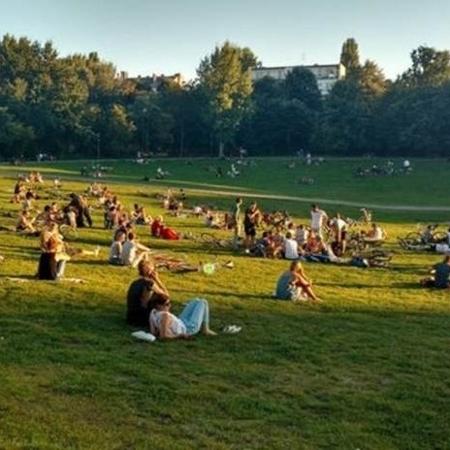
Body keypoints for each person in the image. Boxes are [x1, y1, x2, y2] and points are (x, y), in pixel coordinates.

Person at [126, 260, 169, 327]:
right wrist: (157, 279)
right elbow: (166, 295)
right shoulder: (149, 284)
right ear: (150, 271)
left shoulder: (134, 283)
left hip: (131, 317)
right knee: (165, 303)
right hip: (143, 318)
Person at [150, 297, 217, 339]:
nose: (169, 306)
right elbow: (163, 336)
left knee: (196, 300)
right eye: (167, 304)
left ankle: (205, 329)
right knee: (203, 302)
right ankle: (205, 329)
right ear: (159, 306)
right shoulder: (165, 315)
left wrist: (160, 330)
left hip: (181, 321)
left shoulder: (153, 313)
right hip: (188, 328)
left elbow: (154, 332)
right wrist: (180, 336)